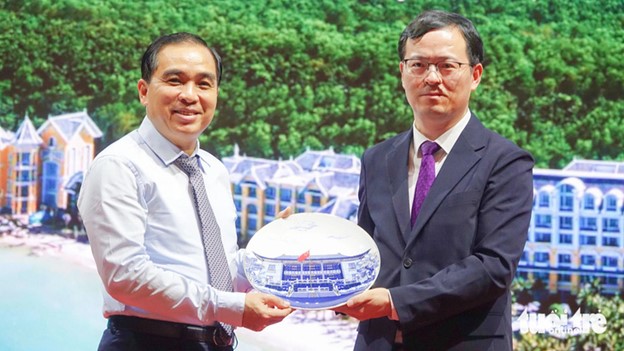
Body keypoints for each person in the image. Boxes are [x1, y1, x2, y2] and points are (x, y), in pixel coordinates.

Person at [78, 32, 292, 351]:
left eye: (204, 84)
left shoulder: (214, 170)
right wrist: (232, 307)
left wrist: (270, 250)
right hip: (146, 343)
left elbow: (219, 271)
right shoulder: (119, 165)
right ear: (144, 91)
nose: (190, 95)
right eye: (175, 80)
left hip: (218, 343)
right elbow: (125, 276)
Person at [334, 10, 534, 351]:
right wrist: (302, 251)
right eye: (418, 65)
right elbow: (365, 253)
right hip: (378, 343)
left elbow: (494, 267)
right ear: (402, 73)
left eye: (446, 66)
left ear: (475, 75)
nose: (431, 77)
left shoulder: (505, 161)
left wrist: (396, 301)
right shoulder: (376, 159)